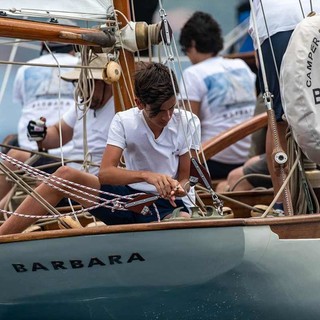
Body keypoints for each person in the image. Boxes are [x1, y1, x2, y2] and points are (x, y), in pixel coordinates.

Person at [0, 62, 200, 235]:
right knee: (64, 174)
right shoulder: (122, 119)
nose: (166, 117)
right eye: (158, 111)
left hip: (169, 205)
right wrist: (147, 176)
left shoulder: (188, 122)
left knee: (181, 218)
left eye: (171, 108)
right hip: (127, 198)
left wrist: (178, 188)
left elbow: (187, 179)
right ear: (139, 103)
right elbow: (105, 173)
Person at [0, 54, 114, 209]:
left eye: (87, 84)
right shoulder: (84, 104)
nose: (81, 91)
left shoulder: (120, 108)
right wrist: (41, 134)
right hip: (71, 172)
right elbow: (59, 134)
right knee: (16, 156)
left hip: (93, 182)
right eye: (78, 83)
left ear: (105, 82)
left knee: (43, 183)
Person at [248, 0, 320, 212]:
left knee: (277, 117)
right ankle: (287, 204)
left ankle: (284, 206)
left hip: (277, 24)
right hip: (306, 18)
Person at [0, 26, 79, 203]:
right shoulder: (83, 68)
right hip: (74, 157)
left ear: (43, 45)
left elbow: (24, 103)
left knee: (13, 150)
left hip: (31, 154)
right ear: (74, 48)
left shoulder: (25, 69)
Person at [179, 11, 257, 180]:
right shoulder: (241, 66)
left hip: (214, 159)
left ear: (191, 43)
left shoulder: (192, 74)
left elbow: (187, 129)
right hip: (250, 158)